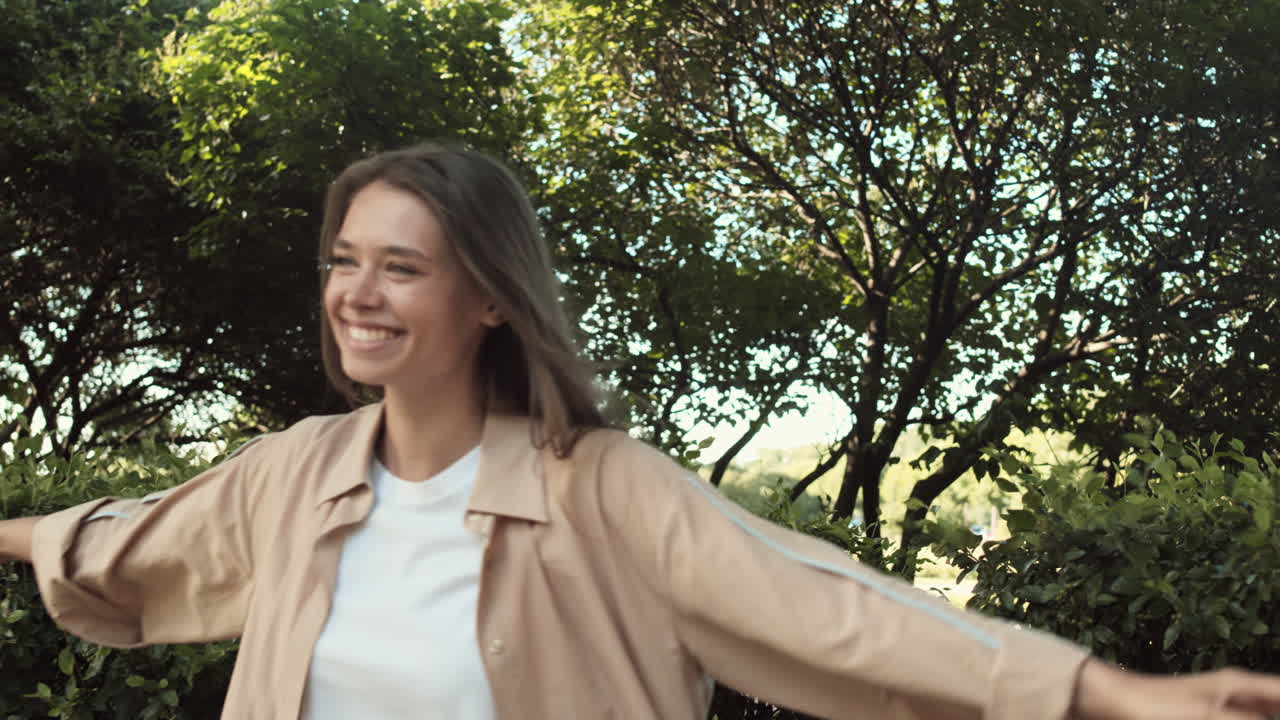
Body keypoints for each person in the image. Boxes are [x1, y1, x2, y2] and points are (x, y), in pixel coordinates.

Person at [2, 143, 1280, 720]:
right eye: (346, 261)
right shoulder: (297, 476)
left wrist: (1104, 692)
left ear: (488, 298)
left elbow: (830, 606)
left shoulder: (595, 488)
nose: (357, 294)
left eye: (402, 267)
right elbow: (123, 536)